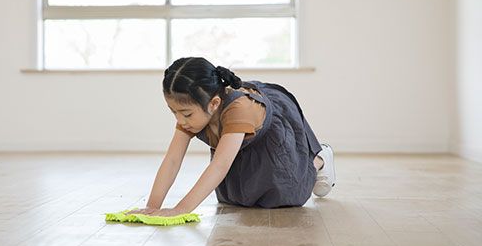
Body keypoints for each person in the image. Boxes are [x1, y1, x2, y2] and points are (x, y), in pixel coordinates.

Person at [126, 56, 336, 217]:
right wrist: (152, 208)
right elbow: (172, 160)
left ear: (214, 104)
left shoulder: (239, 110)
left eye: (186, 114)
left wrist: (181, 209)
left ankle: (318, 159)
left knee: (284, 193)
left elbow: (220, 165)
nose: (180, 121)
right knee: (236, 198)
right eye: (174, 112)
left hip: (270, 138)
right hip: (239, 141)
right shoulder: (192, 114)